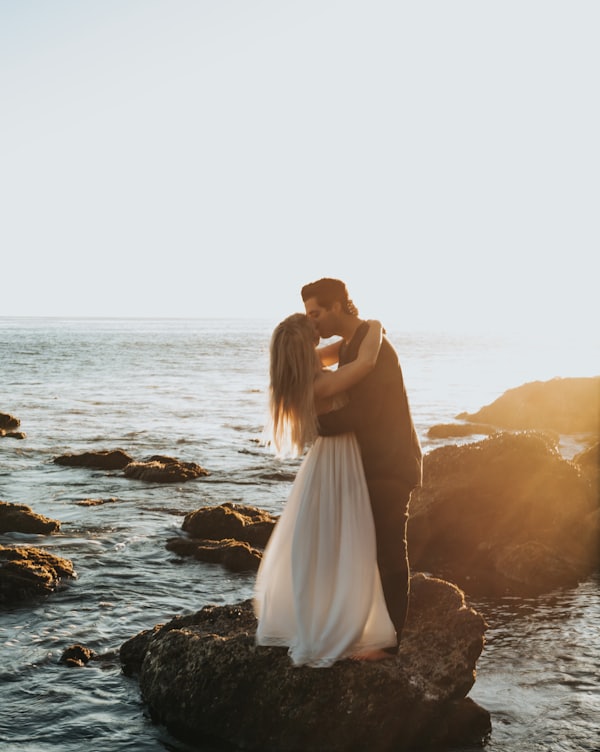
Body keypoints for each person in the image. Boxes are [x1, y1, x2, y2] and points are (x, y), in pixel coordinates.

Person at [254, 313, 397, 667]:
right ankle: (334, 623)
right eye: (312, 329)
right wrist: (376, 325)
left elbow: (340, 349)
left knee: (326, 540)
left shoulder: (303, 374)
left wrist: (350, 334)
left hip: (330, 460)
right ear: (305, 345)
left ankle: (333, 610)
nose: (319, 330)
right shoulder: (318, 385)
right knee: (344, 540)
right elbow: (364, 361)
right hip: (337, 462)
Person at [301, 278, 422, 655]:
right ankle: (359, 629)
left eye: (315, 314)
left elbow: (365, 413)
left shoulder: (376, 348)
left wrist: (311, 425)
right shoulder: (353, 344)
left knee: (388, 551)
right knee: (357, 550)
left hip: (390, 464)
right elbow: (305, 361)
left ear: (337, 306)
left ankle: (391, 644)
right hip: (366, 464)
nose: (312, 323)